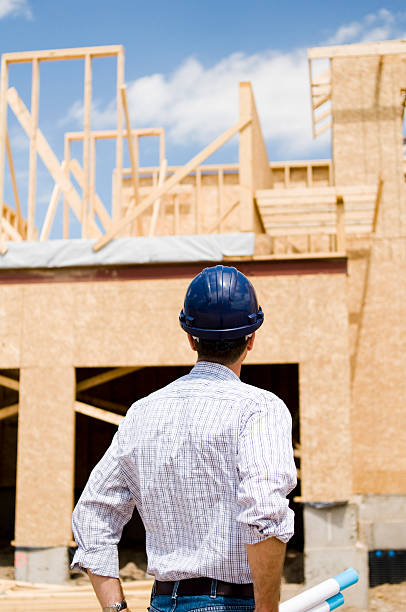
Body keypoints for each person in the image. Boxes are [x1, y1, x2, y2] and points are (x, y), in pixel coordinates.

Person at [71, 265, 297, 612]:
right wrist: (267, 608)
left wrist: (115, 609)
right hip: (232, 603)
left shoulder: (143, 413)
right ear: (252, 338)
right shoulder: (260, 409)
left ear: (190, 338)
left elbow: (92, 515)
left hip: (162, 602)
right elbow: (264, 513)